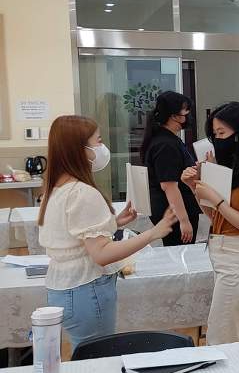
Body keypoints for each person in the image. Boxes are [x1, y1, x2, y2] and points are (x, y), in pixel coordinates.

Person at [38, 115, 178, 350]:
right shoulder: (83, 193)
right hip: (86, 289)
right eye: (99, 141)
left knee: (85, 355)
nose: (102, 147)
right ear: (81, 149)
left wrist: (114, 223)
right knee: (96, 357)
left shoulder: (53, 189)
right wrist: (153, 233)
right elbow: (101, 254)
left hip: (62, 288)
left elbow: (74, 235)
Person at [182, 102, 239, 344]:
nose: (217, 139)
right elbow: (215, 216)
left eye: (222, 133)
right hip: (224, 255)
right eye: (214, 134)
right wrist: (194, 187)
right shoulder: (233, 169)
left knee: (220, 336)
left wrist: (217, 198)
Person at [140, 91, 202, 246]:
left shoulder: (169, 139)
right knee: (180, 254)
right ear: (174, 116)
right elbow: (169, 186)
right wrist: (184, 220)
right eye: (185, 111)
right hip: (174, 214)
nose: (188, 115)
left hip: (176, 211)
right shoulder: (165, 144)